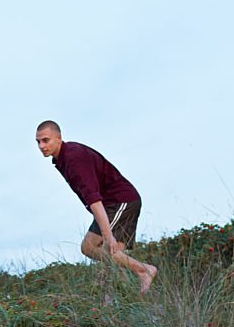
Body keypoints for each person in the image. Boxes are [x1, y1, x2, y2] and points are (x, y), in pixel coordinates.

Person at [35, 120, 157, 294]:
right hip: (116, 203)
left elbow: (94, 200)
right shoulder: (62, 158)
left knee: (90, 247)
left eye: (45, 140)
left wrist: (108, 237)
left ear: (59, 138)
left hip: (120, 201)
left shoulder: (73, 158)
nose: (41, 146)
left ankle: (144, 270)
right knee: (113, 261)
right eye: (38, 142)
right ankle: (125, 295)